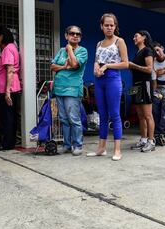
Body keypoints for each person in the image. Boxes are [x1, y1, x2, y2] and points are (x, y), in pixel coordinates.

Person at [87, 13, 128, 161]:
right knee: (102, 115)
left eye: (112, 25)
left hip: (112, 78)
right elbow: (96, 61)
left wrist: (107, 66)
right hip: (99, 80)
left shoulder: (119, 41)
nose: (109, 28)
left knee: (115, 114)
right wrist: (96, 67)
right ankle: (101, 148)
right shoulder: (98, 43)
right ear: (101, 26)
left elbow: (125, 63)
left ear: (115, 26)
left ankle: (117, 150)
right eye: (106, 25)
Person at [50, 25, 88, 156]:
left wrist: (69, 49)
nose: (75, 36)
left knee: (74, 119)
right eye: (72, 33)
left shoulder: (82, 51)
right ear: (66, 36)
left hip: (72, 90)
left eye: (78, 34)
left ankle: (77, 145)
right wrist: (63, 67)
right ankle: (66, 145)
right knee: (63, 119)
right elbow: (52, 66)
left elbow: (74, 64)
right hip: (59, 89)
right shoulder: (61, 51)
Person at [0, 26, 22, 150]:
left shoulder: (7, 49)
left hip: (9, 89)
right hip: (11, 88)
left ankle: (7, 144)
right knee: (11, 116)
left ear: (1, 36)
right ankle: (10, 142)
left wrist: (7, 91)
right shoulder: (11, 48)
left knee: (7, 117)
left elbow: (10, 70)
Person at [128, 30, 155, 153]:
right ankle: (143, 140)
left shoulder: (147, 50)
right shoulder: (137, 52)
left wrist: (134, 66)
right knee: (140, 115)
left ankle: (151, 141)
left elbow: (149, 69)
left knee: (148, 115)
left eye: (136, 36)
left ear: (143, 37)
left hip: (145, 84)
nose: (134, 38)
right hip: (136, 85)